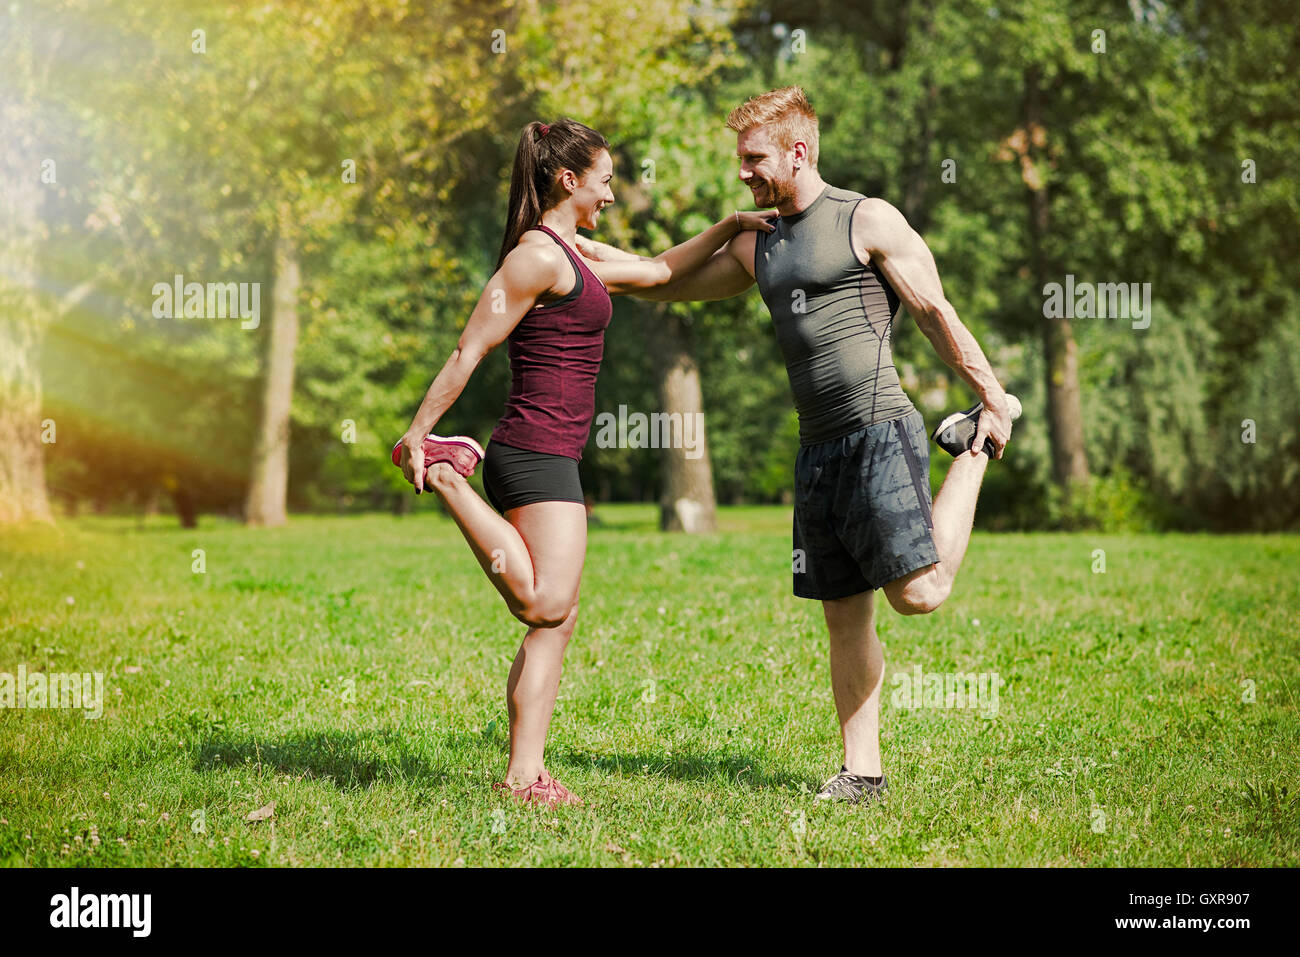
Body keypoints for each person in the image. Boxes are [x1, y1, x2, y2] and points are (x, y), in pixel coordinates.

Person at [577, 88, 1020, 803]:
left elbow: (935, 311)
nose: (744, 173)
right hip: (818, 450)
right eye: (741, 161)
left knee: (921, 592)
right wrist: (572, 246)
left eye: (754, 160)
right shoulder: (759, 244)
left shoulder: (863, 219)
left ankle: (970, 446)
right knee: (844, 610)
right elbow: (662, 281)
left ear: (798, 151)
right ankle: (862, 772)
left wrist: (993, 395)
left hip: (880, 430)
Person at [394, 118, 776, 807]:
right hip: (532, 448)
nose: (610, 193)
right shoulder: (535, 258)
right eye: (603, 181)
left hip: (556, 452)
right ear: (568, 180)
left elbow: (659, 270)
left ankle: (525, 775)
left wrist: (731, 226)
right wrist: (420, 435)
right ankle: (448, 473)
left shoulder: (574, 249)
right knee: (544, 601)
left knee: (557, 620)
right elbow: (468, 349)